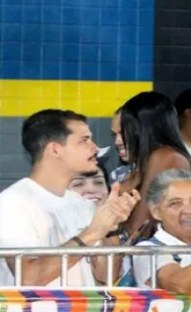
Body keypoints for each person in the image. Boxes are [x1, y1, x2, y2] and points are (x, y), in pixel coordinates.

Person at [0, 110, 139, 287]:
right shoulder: (12, 203)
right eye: (84, 140)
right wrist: (91, 234)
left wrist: (112, 227)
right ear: (55, 150)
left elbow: (106, 277)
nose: (95, 147)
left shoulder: (83, 205)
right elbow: (29, 277)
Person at [118, 91, 191, 237]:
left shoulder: (164, 157)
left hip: (160, 253)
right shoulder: (164, 157)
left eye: (124, 129)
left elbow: (141, 225)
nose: (122, 137)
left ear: (137, 129)